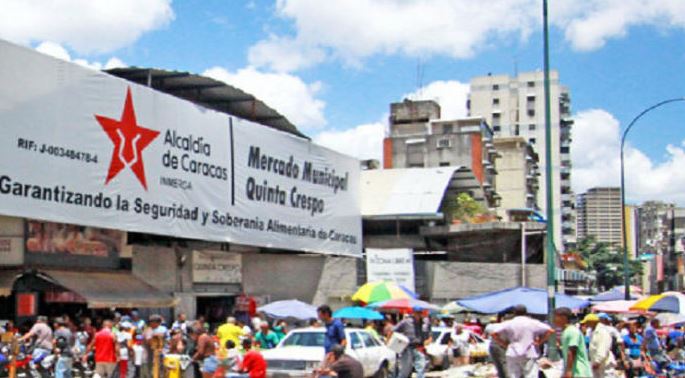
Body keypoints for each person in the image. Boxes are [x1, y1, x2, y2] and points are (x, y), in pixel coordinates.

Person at [491, 305, 554, 378]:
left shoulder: (509, 323)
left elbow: (494, 333)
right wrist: (540, 341)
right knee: (530, 374)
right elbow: (550, 330)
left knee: (514, 375)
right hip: (529, 352)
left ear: (514, 313)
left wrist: (503, 344)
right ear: (526, 312)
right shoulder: (533, 322)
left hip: (513, 351)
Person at [554, 307, 592, 378]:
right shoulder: (566, 331)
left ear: (563, 317)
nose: (553, 320)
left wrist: (568, 371)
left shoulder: (572, 331)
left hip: (579, 372)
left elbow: (572, 351)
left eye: (555, 317)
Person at [391, 311, 431, 378]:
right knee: (405, 370)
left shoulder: (424, 323)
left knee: (421, 368)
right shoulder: (406, 322)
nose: (418, 315)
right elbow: (394, 330)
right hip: (407, 348)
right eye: (417, 313)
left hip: (419, 348)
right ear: (413, 313)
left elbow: (428, 334)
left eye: (420, 313)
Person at [582, 314, 614, 378]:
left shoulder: (602, 332)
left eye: (587, 323)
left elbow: (603, 348)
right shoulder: (592, 332)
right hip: (596, 364)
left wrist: (597, 361)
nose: (586, 324)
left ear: (592, 322)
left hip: (604, 364)